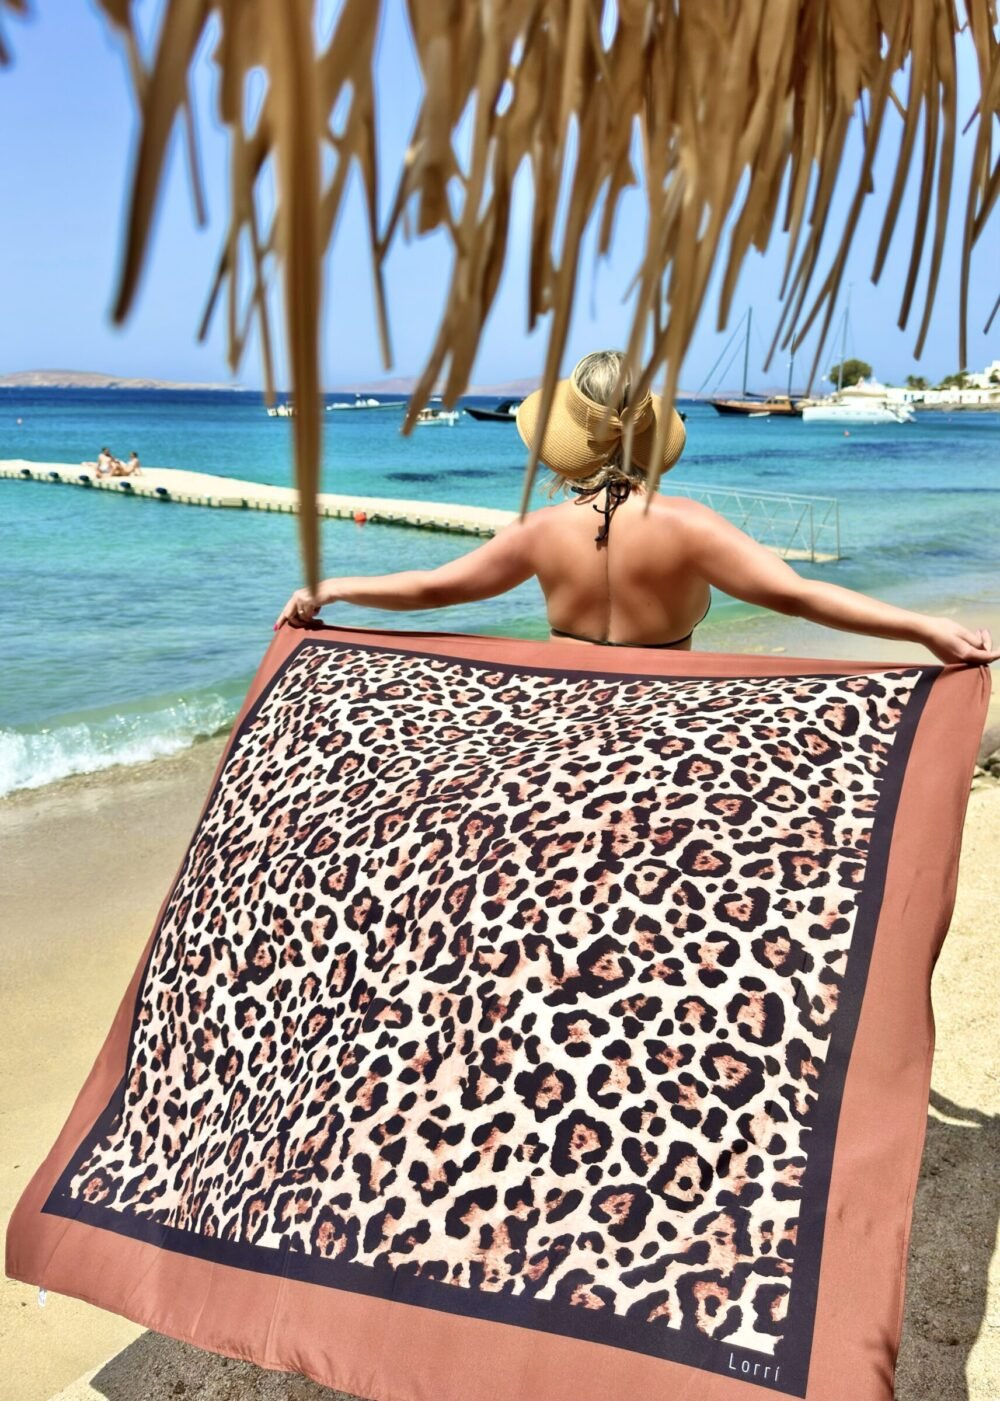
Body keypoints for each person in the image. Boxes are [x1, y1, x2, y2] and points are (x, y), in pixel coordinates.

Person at [275, 350, 998, 666]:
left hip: (561, 730)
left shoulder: (538, 531)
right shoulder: (690, 528)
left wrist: (330, 588)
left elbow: (436, 589)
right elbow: (799, 597)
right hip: (662, 730)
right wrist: (923, 628)